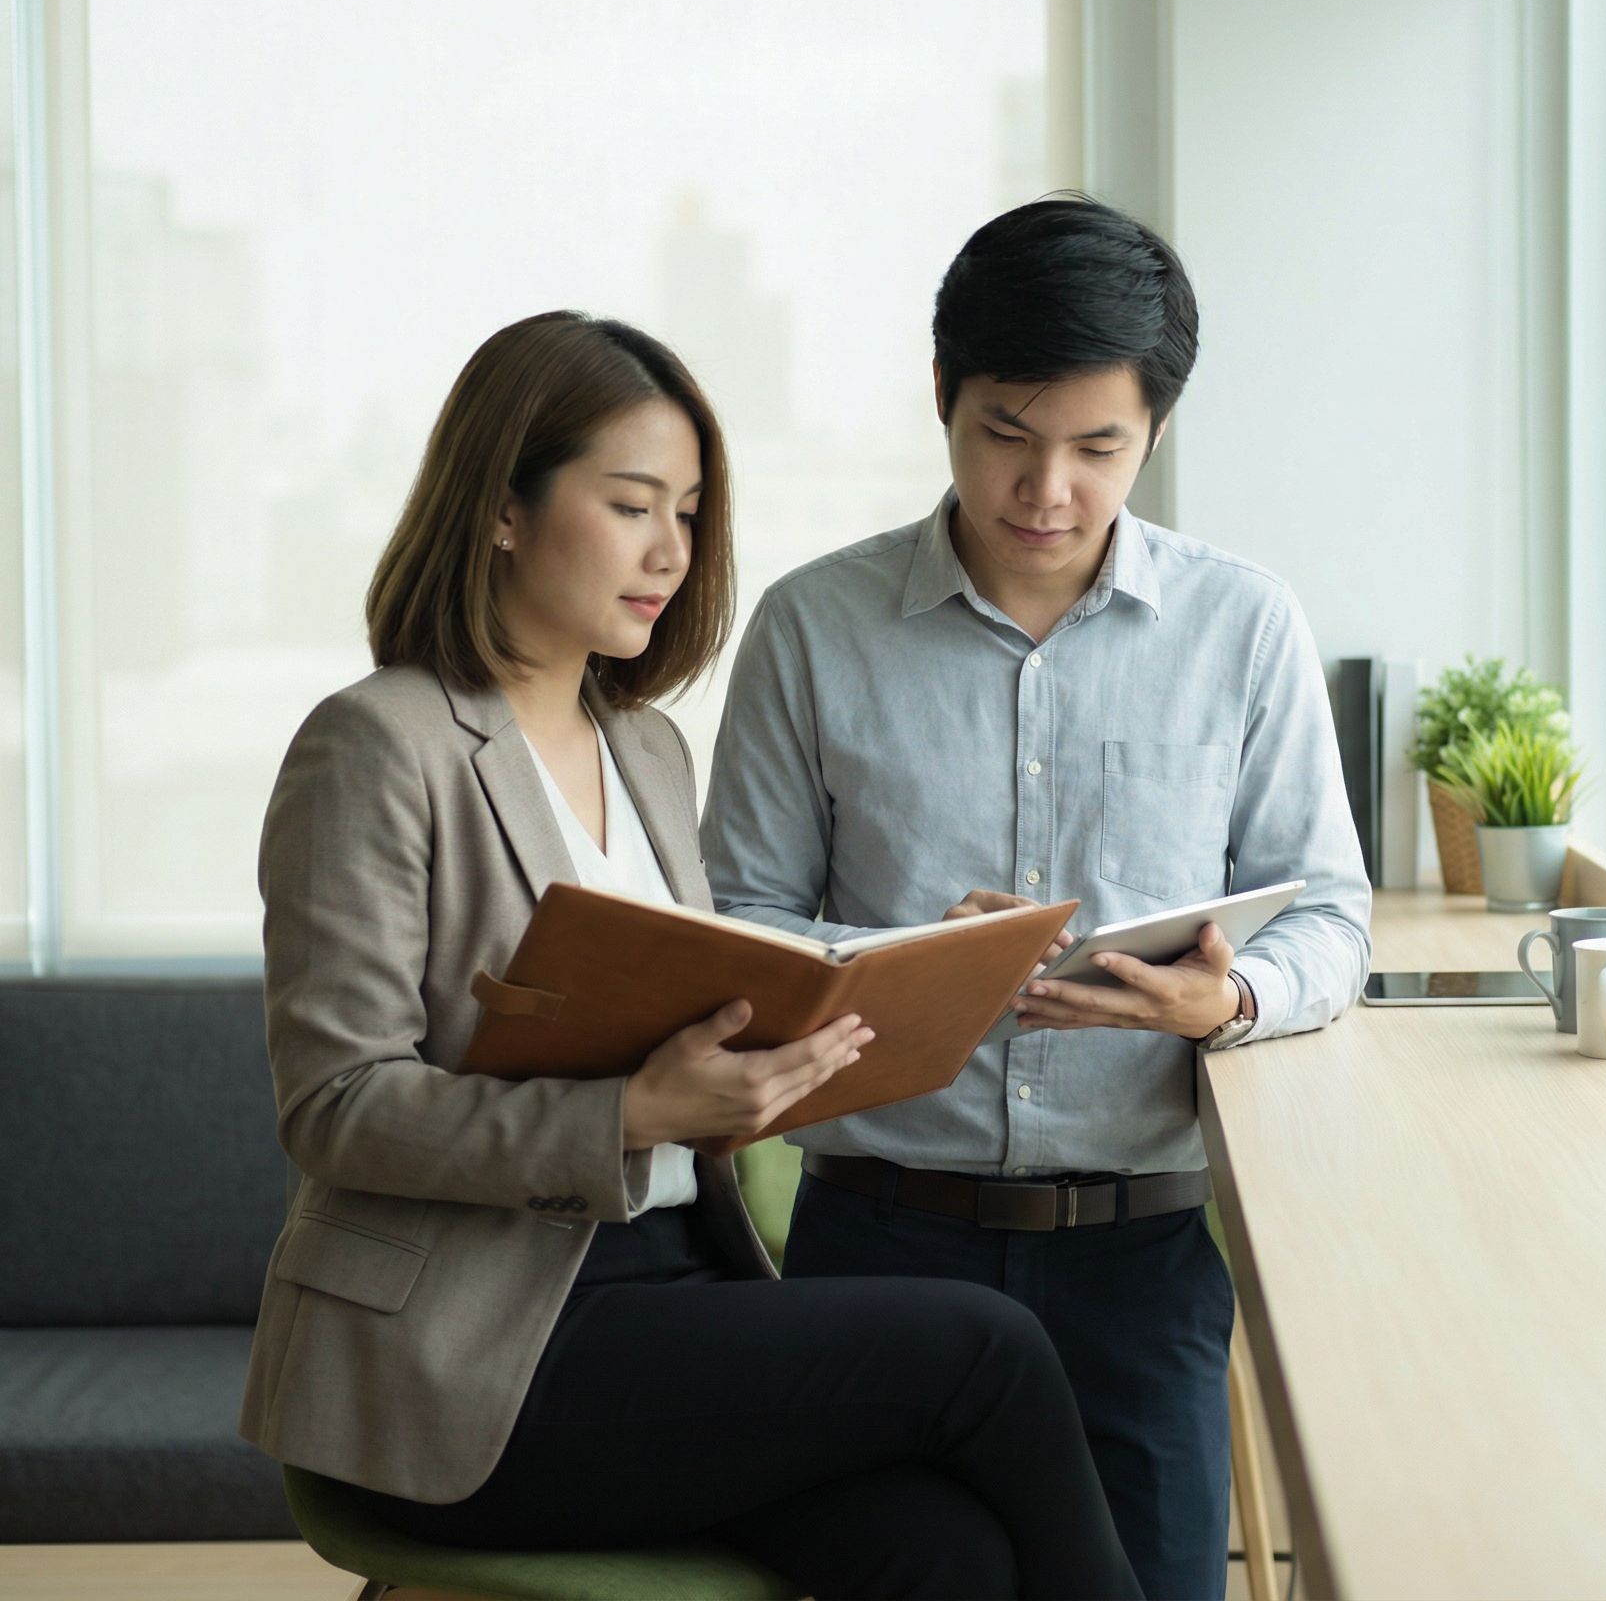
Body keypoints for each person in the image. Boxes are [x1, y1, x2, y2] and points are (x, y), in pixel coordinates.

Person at [242, 309, 1140, 1600]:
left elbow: (700, 1007)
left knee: (945, 1553)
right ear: (503, 507)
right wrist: (632, 1110)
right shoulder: (381, 747)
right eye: (630, 506)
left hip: (670, 1293)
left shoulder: (647, 749)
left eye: (690, 511)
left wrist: (864, 995)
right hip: (482, 1349)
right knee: (987, 1350)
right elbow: (334, 1108)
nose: (670, 551)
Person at [702, 198, 1375, 1600]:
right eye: (1007, 433)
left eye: (1096, 448)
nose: (1047, 490)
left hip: (1141, 1256)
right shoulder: (813, 629)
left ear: (1155, 434)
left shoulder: (1242, 628)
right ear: (943, 397)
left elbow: (1333, 917)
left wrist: (1229, 997)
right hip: (880, 1248)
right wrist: (906, 963)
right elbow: (740, 926)